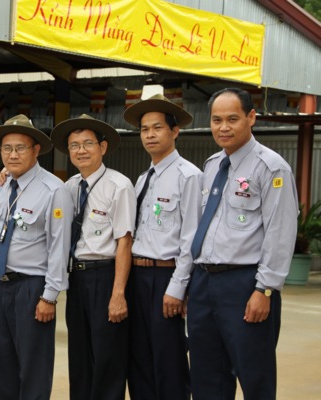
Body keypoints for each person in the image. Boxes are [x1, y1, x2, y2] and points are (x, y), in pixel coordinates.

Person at [188, 88, 298, 400]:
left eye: (232, 119)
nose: (223, 127)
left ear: (251, 117)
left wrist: (265, 289)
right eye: (216, 120)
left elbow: (280, 232)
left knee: (254, 375)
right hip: (204, 282)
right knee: (206, 377)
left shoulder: (271, 167)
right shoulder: (212, 165)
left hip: (245, 285)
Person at [0, 114, 73, 399]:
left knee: (33, 369)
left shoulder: (53, 190)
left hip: (31, 289)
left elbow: (59, 247)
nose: (13, 155)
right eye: (7, 148)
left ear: (36, 150)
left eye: (20, 148)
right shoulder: (3, 187)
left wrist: (50, 297)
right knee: (1, 366)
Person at [49, 114, 135, 399]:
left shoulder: (119, 185)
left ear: (103, 147)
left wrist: (118, 293)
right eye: (74, 145)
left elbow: (125, 241)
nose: (81, 150)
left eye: (88, 143)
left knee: (107, 356)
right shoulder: (69, 187)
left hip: (106, 276)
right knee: (79, 356)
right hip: (78, 279)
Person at [123, 94, 202, 399]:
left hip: (165, 278)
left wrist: (178, 288)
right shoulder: (143, 178)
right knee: (139, 360)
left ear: (175, 131)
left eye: (157, 128)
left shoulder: (189, 176)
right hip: (138, 277)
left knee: (169, 361)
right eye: (144, 129)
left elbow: (191, 238)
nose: (150, 135)